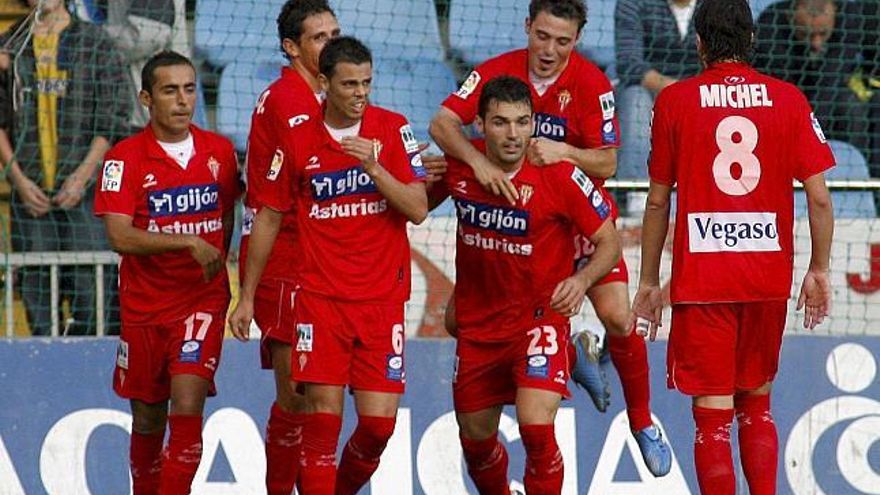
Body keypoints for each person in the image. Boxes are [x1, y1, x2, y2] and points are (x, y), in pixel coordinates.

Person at [429, 0, 672, 476]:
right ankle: (565, 353)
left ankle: (642, 422)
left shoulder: (591, 83)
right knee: (459, 320)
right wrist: (476, 161)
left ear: (577, 39)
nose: (549, 50)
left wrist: (565, 152)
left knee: (619, 316)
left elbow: (607, 163)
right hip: (520, 225)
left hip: (575, 219)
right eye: (542, 36)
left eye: (562, 41)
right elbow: (442, 124)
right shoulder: (496, 72)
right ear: (528, 28)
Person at [633, 1, 834, 493]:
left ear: (699, 44)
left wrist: (649, 281)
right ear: (753, 41)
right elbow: (821, 199)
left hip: (703, 281)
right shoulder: (789, 99)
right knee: (756, 405)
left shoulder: (675, 101)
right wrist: (819, 270)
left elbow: (658, 204)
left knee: (713, 419)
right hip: (765, 279)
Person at [229, 36, 427, 495]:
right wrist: (247, 295)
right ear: (323, 83)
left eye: (367, 83)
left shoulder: (393, 129)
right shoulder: (297, 140)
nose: (360, 93)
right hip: (319, 302)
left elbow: (417, 207)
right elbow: (269, 217)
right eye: (350, 84)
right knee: (321, 426)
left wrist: (376, 169)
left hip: (381, 303)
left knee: (378, 427)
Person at [430, 75, 620, 495]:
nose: (513, 134)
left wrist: (582, 277)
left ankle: (568, 349)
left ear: (534, 123)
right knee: (476, 445)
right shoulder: (460, 166)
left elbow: (610, 240)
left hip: (539, 322)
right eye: (500, 122)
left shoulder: (560, 175)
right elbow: (412, 208)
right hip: (479, 328)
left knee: (536, 429)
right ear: (479, 124)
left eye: (522, 122)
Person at [94, 50, 240, 494]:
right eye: (170, 90)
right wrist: (189, 242)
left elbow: (227, 216)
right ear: (146, 98)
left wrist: (213, 257)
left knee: (187, 405)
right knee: (148, 417)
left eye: (190, 89)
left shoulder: (219, 152)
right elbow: (120, 236)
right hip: (144, 308)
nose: (182, 101)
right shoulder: (123, 159)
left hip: (201, 301)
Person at [229, 1, 339, 494]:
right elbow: (320, 172)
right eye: (319, 37)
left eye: (336, 33)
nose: (332, 44)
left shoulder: (331, 94)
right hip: (288, 260)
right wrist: (246, 296)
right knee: (297, 394)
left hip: (325, 260)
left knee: (317, 395)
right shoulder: (288, 100)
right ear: (291, 48)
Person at [0, 0, 130, 335]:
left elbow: (113, 116)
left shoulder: (95, 42)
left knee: (93, 288)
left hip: (85, 193)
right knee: (36, 289)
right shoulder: (10, 46)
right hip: (28, 194)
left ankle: (94, 368)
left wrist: (83, 176)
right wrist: (19, 180)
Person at [754, 0, 875, 166]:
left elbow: (830, 80)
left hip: (831, 94)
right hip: (785, 96)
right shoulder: (771, 24)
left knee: (852, 107)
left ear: (834, 13)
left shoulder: (850, 17)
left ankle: (857, 176)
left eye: (823, 34)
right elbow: (779, 88)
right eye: (807, 34)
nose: (816, 44)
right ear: (791, 17)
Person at [614, 0, 701, 181]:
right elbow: (629, 64)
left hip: (701, 92)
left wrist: (694, 94)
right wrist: (680, 91)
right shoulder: (632, 3)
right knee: (635, 100)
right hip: (649, 89)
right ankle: (636, 194)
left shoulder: (718, 5)